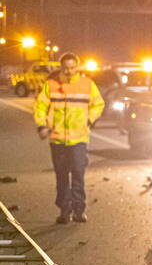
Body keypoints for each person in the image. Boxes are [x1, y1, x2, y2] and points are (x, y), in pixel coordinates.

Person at [33, 52, 105, 224]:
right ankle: (64, 210)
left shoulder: (87, 84)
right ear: (61, 67)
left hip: (79, 139)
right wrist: (42, 125)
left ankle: (79, 210)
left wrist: (89, 119)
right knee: (62, 175)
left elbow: (98, 104)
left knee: (78, 173)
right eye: (66, 68)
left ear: (77, 67)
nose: (69, 71)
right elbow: (40, 106)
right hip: (57, 139)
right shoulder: (51, 85)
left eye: (72, 68)